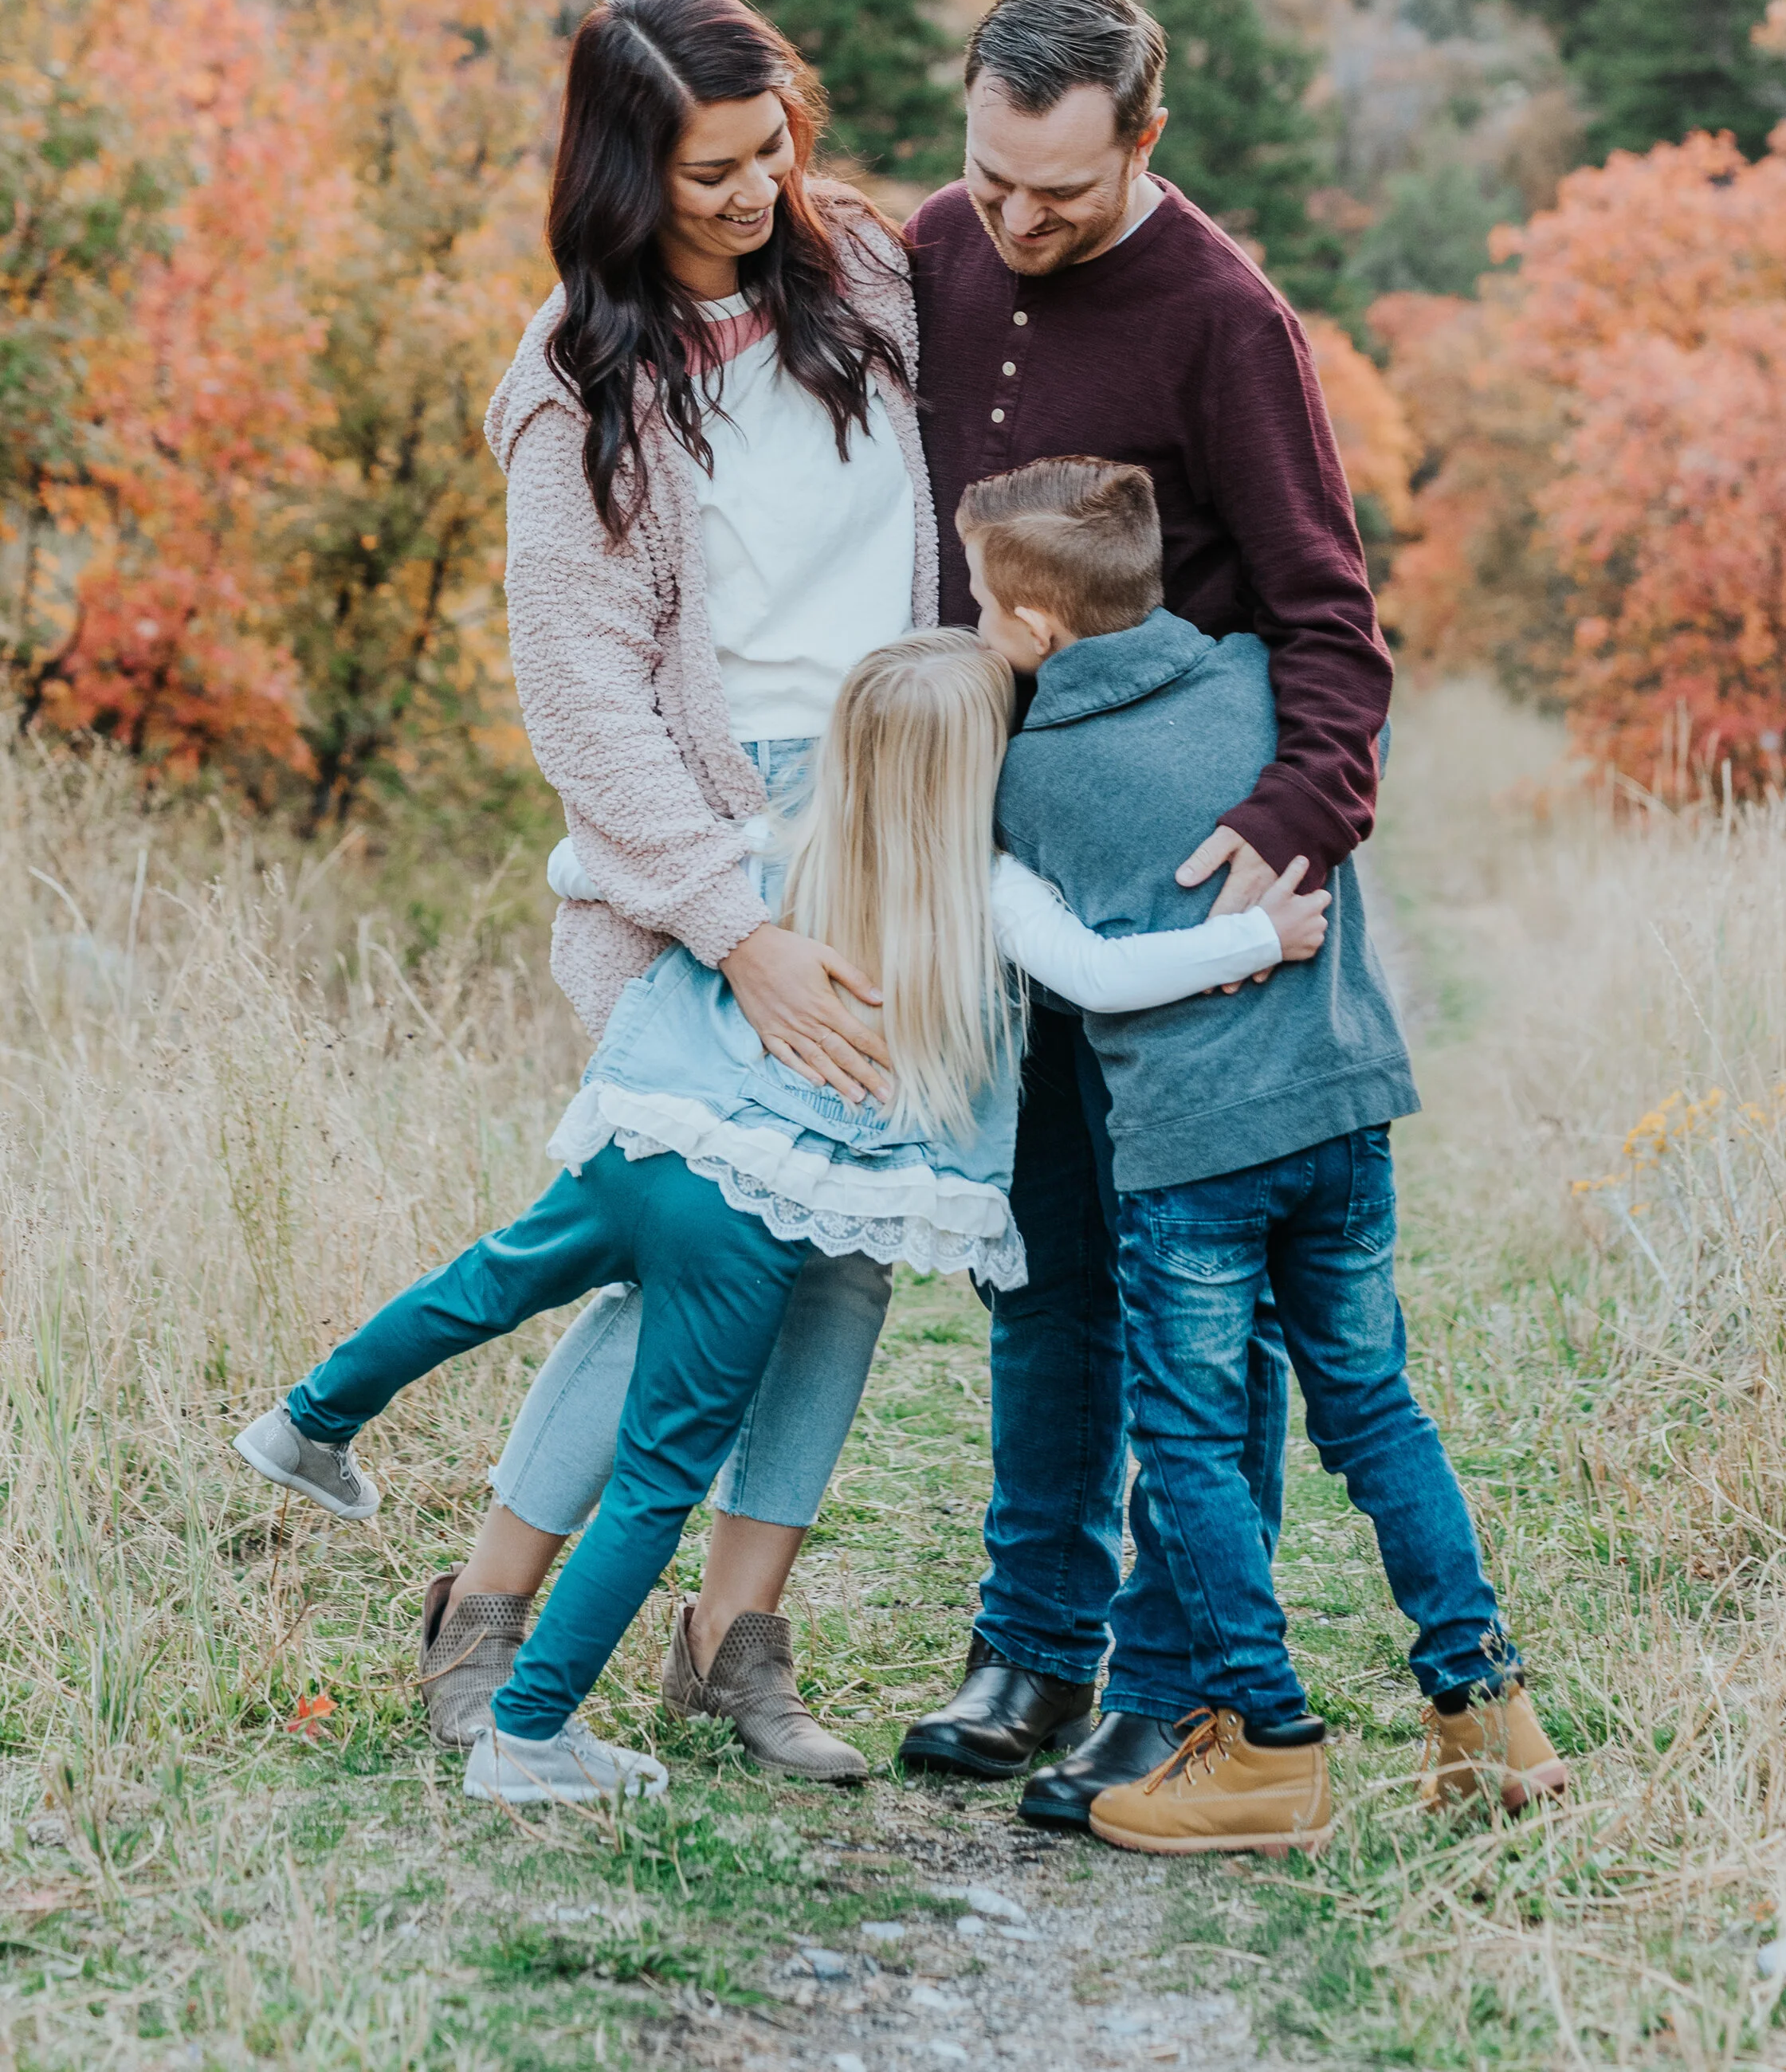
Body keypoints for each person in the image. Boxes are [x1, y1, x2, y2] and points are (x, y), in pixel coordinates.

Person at [232, 631, 1330, 1804]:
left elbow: (586, 867)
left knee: (485, 1285)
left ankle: (307, 1423)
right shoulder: (990, 889)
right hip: (743, 1218)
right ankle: (530, 1734)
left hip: (639, 1140)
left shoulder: (770, 841)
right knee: (658, 1478)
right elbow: (1106, 975)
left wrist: (587, 880)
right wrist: (1261, 936)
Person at [411, 0, 931, 1784]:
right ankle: (484, 1623)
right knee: (691, 1244)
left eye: (769, 147)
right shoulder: (578, 382)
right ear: (626, 174)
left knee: (845, 1252)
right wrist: (742, 928)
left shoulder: (866, 279)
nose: (751, 192)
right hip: (695, 854)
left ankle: (733, 1646)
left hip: (897, 825)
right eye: (709, 169)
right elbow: (583, 704)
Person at [898, 0, 1399, 1827]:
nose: (1014, 227)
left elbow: (1328, 619)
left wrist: (1299, 811)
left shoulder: (1223, 319)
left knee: (1190, 1294)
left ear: (1144, 143)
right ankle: (1029, 1643)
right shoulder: (934, 248)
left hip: (1186, 881)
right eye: (989, 180)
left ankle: (1177, 1681)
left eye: (1061, 196)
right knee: (1035, 1265)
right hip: (1004, 857)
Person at [956, 457, 1568, 1852]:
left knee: (1191, 1438)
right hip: (1344, 1119)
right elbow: (1365, 759)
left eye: (987, 607)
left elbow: (1059, 975)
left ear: (1040, 627)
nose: (984, 630)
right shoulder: (1267, 687)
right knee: (1374, 1411)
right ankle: (1484, 1713)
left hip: (1190, 1159)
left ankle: (1263, 1739)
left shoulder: (1030, 776)